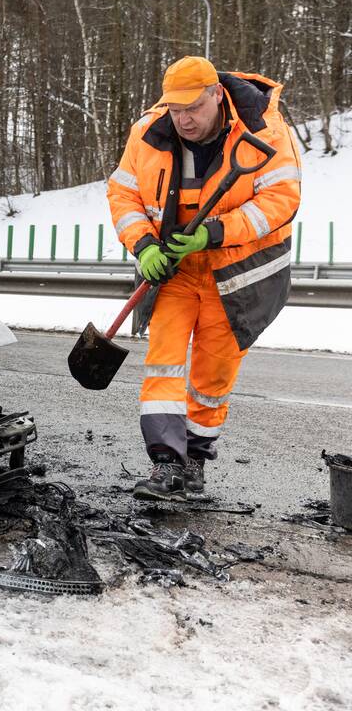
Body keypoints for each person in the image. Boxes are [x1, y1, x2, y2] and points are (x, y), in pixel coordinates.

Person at [106, 56, 301, 501]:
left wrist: (215, 233)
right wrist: (143, 245)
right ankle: (166, 463)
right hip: (174, 270)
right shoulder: (148, 132)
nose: (183, 119)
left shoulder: (263, 131)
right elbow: (124, 193)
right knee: (165, 361)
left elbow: (281, 200)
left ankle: (194, 459)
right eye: (175, 110)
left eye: (192, 108)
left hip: (235, 273)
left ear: (216, 94)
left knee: (213, 374)